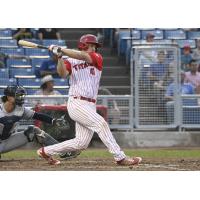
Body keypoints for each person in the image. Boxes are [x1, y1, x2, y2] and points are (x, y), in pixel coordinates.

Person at [37, 34, 142, 166]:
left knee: (81, 143)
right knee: (101, 124)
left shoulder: (96, 57)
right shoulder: (70, 60)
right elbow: (62, 74)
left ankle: (45, 151)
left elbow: (82, 56)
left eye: (94, 46)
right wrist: (59, 57)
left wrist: (61, 49)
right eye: (91, 46)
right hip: (77, 102)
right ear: (83, 45)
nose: (94, 48)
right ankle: (120, 157)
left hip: (90, 104)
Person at [0, 85, 78, 162]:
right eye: (18, 95)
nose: (21, 98)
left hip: (6, 141)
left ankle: (63, 151)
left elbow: (37, 115)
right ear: (8, 97)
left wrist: (53, 121)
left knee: (33, 131)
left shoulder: (20, 110)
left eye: (22, 95)